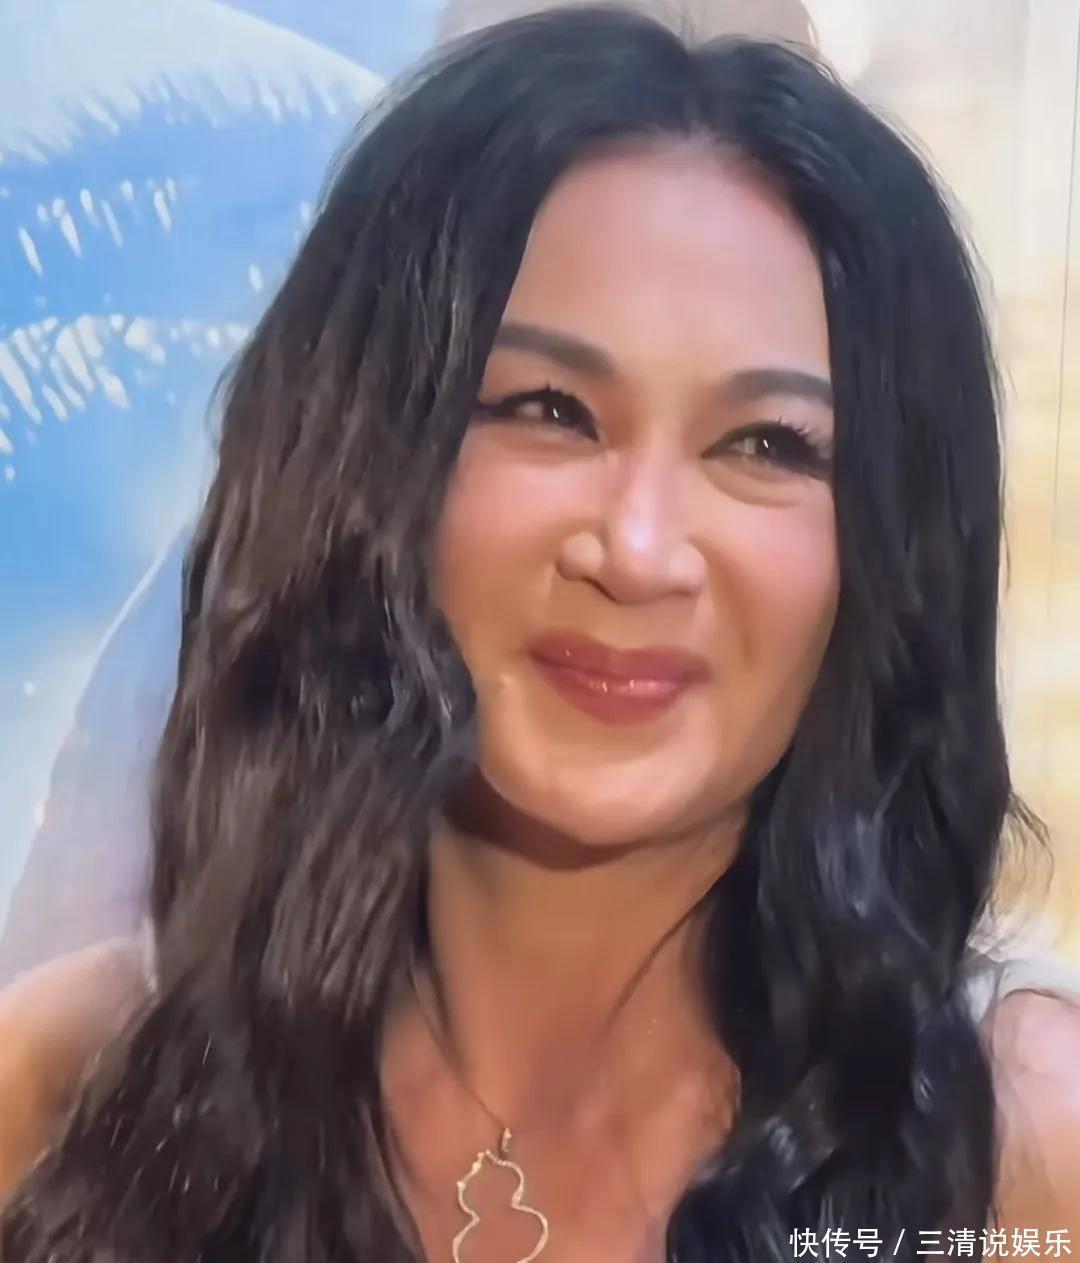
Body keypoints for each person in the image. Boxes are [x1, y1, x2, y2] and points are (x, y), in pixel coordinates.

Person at [1, 6, 1079, 1260]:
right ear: (372, 458)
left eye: (767, 445)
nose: (637, 549)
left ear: (888, 546)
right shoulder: (81, 1091)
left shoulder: (1019, 1149)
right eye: (550, 410)